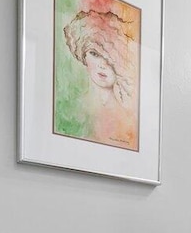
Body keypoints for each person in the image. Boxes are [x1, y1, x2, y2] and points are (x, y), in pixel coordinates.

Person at [60, 9, 139, 151]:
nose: (103, 64)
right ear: (83, 56)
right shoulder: (69, 109)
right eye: (94, 53)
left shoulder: (127, 119)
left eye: (109, 58)